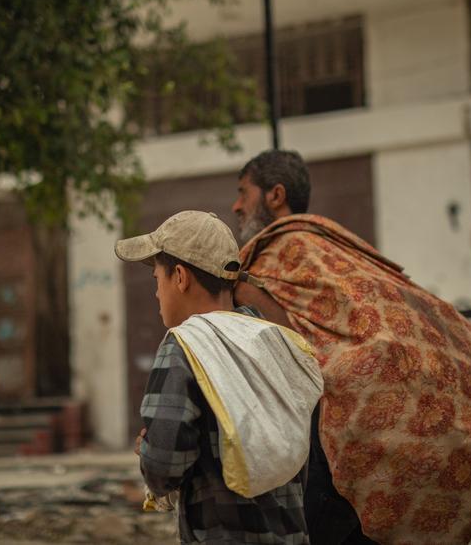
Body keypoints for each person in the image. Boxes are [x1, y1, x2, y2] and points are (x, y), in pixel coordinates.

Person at [232, 150, 471, 545]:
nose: (236, 205)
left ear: (275, 195)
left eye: (244, 192)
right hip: (347, 447)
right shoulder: (338, 250)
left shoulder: (281, 253)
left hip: (328, 452)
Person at [116, 209, 324, 544]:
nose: (156, 294)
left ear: (180, 277)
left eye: (158, 280)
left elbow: (164, 468)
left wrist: (149, 450)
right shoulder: (274, 340)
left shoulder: (185, 345)